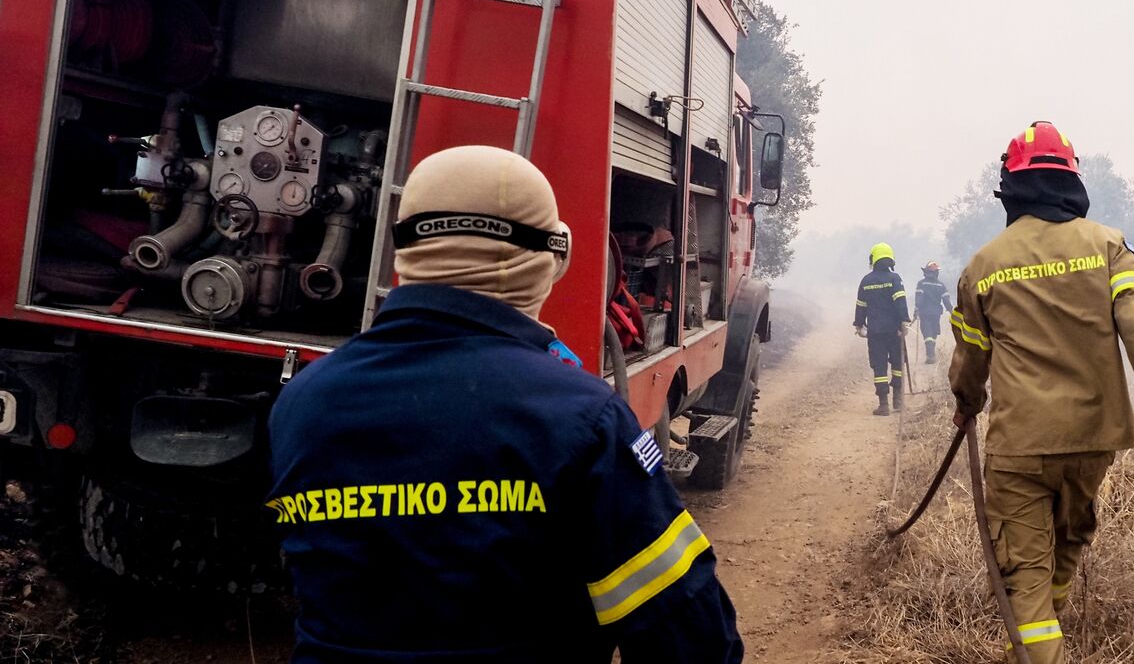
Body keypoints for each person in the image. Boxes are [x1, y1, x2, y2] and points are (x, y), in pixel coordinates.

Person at [266, 146, 743, 663]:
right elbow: (691, 638)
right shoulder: (583, 418)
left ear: (403, 251)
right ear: (549, 261)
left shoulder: (303, 401)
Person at [948, 122, 1134, 664]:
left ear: (1011, 188)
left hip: (1020, 449)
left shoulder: (983, 266)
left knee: (1027, 583)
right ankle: (1043, 639)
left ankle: (1039, 642)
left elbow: (970, 359)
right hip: (1091, 443)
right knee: (1065, 550)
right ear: (1071, 183)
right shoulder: (1108, 248)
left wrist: (967, 405)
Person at [853, 242, 911, 416]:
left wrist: (858, 324)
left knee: (879, 367)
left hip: (875, 332)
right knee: (897, 364)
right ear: (890, 259)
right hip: (894, 331)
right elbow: (900, 302)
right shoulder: (895, 279)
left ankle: (883, 405)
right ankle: (898, 401)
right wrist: (904, 322)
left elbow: (860, 305)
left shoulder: (866, 281)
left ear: (873, 259)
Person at [914, 260, 953, 364]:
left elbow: (919, 299)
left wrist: (916, 310)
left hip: (924, 313)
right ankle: (931, 354)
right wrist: (951, 311)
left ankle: (930, 355)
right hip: (936, 314)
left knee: (927, 334)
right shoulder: (941, 285)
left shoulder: (921, 284)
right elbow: (946, 300)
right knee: (933, 333)